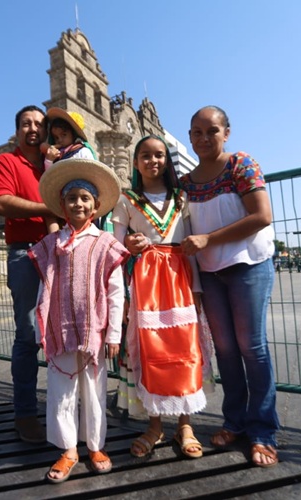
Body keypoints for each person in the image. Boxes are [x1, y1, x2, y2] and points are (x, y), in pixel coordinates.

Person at [179, 105, 280, 468]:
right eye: (197, 132)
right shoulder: (186, 183)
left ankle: (263, 431)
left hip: (248, 266)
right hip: (210, 273)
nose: (204, 138)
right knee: (225, 350)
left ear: (226, 133)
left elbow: (262, 216)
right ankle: (235, 422)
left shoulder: (241, 165)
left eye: (212, 131)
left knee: (252, 347)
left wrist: (209, 239)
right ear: (190, 137)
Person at [112, 135, 214, 460]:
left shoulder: (181, 198)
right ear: (135, 161)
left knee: (185, 349)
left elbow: (190, 246)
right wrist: (129, 246)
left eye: (159, 155)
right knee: (151, 350)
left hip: (181, 279)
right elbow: (115, 249)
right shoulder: (125, 200)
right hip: (145, 284)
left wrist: (197, 289)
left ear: (167, 161)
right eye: (145, 155)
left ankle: (185, 425)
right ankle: (154, 425)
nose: (152, 161)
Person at [29, 157, 129, 483]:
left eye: (85, 198)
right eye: (72, 198)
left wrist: (114, 334)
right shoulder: (52, 244)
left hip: (93, 331)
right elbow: (44, 289)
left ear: (96, 206)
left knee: (94, 390)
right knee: (61, 390)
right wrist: (41, 330)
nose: (78, 204)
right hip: (59, 330)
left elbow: (116, 293)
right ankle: (69, 449)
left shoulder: (106, 243)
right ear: (62, 205)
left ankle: (96, 446)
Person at [0, 105, 53, 444]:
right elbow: (1, 202)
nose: (33, 128)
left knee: (64, 334)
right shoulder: (5, 162)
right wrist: (49, 208)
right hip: (25, 252)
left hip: (59, 252)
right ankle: (25, 414)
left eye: (39, 123)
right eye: (26, 123)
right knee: (27, 334)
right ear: (17, 131)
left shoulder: (54, 164)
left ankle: (61, 409)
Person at [40, 108, 97, 233]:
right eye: (56, 137)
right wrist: (49, 160)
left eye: (64, 135)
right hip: (66, 201)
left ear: (73, 134)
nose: (60, 140)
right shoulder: (57, 155)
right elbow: (51, 177)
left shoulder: (83, 151)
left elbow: (93, 173)